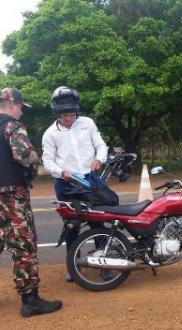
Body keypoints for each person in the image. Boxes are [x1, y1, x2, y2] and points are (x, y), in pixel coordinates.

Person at [0, 88, 62, 317]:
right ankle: (30, 300)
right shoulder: (12, 127)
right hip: (10, 198)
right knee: (23, 247)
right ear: (10, 103)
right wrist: (35, 156)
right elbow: (24, 156)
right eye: (20, 107)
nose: (21, 112)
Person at [41, 86, 110, 282]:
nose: (69, 118)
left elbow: (100, 145)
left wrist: (100, 158)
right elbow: (47, 161)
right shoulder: (50, 134)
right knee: (72, 226)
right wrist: (61, 172)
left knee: (98, 222)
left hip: (90, 181)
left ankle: (104, 262)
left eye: (72, 114)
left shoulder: (87, 123)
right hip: (66, 184)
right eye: (65, 115)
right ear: (57, 113)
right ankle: (73, 266)